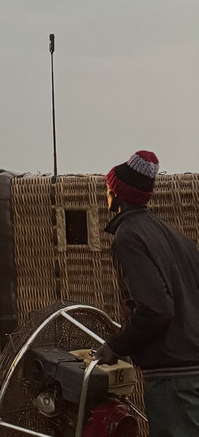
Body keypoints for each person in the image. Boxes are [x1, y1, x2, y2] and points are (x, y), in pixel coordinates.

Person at [91, 151, 199, 437]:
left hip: (173, 378)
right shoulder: (177, 238)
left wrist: (116, 345)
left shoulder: (128, 237)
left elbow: (156, 309)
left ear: (115, 194)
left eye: (107, 190)